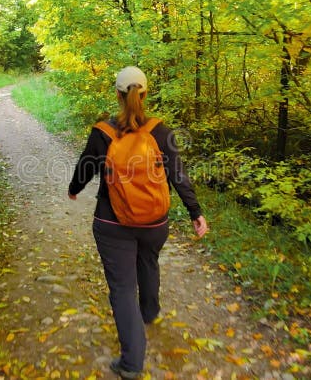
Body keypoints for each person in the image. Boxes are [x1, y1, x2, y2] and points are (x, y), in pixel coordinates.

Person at [67, 65, 209, 378]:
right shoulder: (161, 130)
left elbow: (85, 167)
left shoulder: (103, 132)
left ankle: (132, 363)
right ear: (145, 93)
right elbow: (178, 175)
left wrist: (74, 189)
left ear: (117, 93)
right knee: (149, 261)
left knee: (121, 288)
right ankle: (149, 312)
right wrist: (195, 211)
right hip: (155, 222)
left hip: (112, 223)